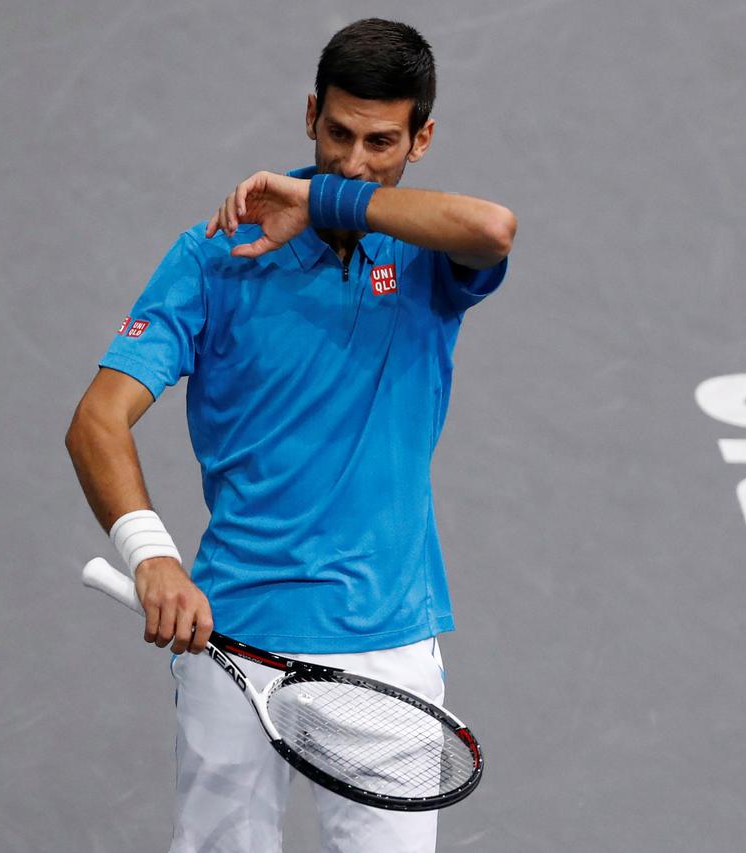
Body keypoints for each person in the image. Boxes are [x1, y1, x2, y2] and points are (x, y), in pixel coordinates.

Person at [65, 18, 515, 853]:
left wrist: (317, 200)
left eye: (381, 141)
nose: (353, 159)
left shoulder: (423, 253)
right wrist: (152, 553)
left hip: (386, 651)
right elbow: (97, 419)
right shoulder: (215, 256)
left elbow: (493, 229)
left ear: (423, 139)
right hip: (233, 635)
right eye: (337, 134)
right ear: (310, 114)